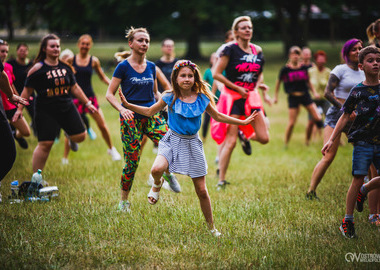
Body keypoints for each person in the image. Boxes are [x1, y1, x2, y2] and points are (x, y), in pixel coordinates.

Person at [119, 59, 258, 236]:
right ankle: (157, 183)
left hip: (192, 143)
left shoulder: (202, 98)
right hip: (171, 139)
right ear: (176, 78)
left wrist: (242, 121)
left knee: (201, 190)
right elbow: (149, 111)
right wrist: (128, 105)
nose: (186, 79)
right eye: (182, 75)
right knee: (156, 169)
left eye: (190, 76)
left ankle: (212, 228)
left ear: (195, 78)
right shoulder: (169, 96)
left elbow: (218, 116)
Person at [106, 27, 181, 213]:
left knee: (171, 143)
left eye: (147, 40)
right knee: (131, 162)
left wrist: (163, 104)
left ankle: (161, 179)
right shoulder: (123, 67)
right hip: (130, 118)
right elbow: (109, 94)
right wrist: (122, 109)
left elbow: (155, 92)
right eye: (140, 40)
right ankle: (124, 202)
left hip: (151, 115)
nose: (144, 44)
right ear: (131, 44)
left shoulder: (151, 66)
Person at [12, 34, 97, 173]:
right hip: (46, 110)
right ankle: (36, 179)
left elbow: (74, 87)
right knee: (45, 144)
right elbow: (27, 91)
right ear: (44, 49)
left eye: (58, 46)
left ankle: (68, 134)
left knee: (81, 136)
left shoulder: (66, 67)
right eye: (52, 46)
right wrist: (19, 109)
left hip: (66, 106)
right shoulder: (37, 69)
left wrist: (87, 103)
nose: (56, 49)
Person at [321, 46, 380, 238]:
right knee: (357, 178)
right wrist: (331, 139)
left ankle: (366, 188)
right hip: (362, 141)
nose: (376, 63)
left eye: (378, 60)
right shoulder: (358, 91)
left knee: (368, 181)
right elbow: (345, 116)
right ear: (362, 66)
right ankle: (347, 221)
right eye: (371, 60)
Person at [211, 16, 269, 188]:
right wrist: (236, 88)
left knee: (265, 138)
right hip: (234, 98)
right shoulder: (230, 49)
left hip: (251, 97)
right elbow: (216, 73)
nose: (247, 30)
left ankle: (244, 134)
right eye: (243, 28)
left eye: (249, 27)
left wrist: (258, 85)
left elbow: (258, 72)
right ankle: (221, 180)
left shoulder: (257, 50)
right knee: (230, 142)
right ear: (236, 32)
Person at [306, 39, 364, 200]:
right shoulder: (340, 69)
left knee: (368, 153)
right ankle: (311, 191)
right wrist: (345, 108)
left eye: (360, 48)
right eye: (354, 49)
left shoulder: (365, 71)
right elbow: (327, 93)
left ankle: (367, 190)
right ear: (346, 53)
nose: (358, 51)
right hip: (337, 115)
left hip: (357, 118)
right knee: (329, 155)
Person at [61, 34, 121, 164]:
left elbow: (102, 77)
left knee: (102, 125)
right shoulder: (71, 60)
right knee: (70, 129)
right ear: (79, 44)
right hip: (75, 97)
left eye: (87, 44)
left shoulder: (94, 61)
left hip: (90, 97)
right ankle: (65, 158)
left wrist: (115, 85)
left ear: (90, 45)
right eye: (83, 43)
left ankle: (111, 149)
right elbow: (64, 76)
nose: (85, 46)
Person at [274, 46, 323, 148]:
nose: (295, 56)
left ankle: (309, 141)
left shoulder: (304, 68)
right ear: (289, 56)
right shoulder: (285, 70)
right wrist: (275, 96)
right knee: (292, 123)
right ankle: (286, 143)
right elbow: (278, 82)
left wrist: (314, 92)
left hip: (305, 96)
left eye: (297, 54)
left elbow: (308, 82)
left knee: (318, 117)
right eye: (293, 54)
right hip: (293, 97)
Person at [0, 60, 29, 202]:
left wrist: (12, 97)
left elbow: (4, 77)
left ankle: (14, 135)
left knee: (9, 153)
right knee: (8, 153)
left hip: (7, 109)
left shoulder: (8, 67)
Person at [0, 39, 30, 149]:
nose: (4, 54)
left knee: (26, 132)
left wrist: (19, 103)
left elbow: (11, 85)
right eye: (2, 51)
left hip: (10, 105)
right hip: (1, 108)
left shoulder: (8, 67)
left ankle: (14, 135)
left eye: (6, 51)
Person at [7, 43, 36, 135]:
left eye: (25, 50)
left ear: (27, 52)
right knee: (15, 116)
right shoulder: (11, 64)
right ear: (17, 51)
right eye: (21, 50)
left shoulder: (31, 65)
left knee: (35, 115)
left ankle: (37, 132)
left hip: (29, 95)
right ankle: (13, 132)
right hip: (15, 95)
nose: (23, 52)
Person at [305, 50, 332, 145]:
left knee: (330, 120)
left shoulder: (328, 72)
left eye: (323, 60)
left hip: (325, 99)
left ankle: (332, 140)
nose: (321, 61)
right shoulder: (310, 71)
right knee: (311, 122)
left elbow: (331, 86)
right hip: (313, 100)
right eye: (319, 59)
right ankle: (307, 141)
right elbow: (307, 84)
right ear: (316, 60)